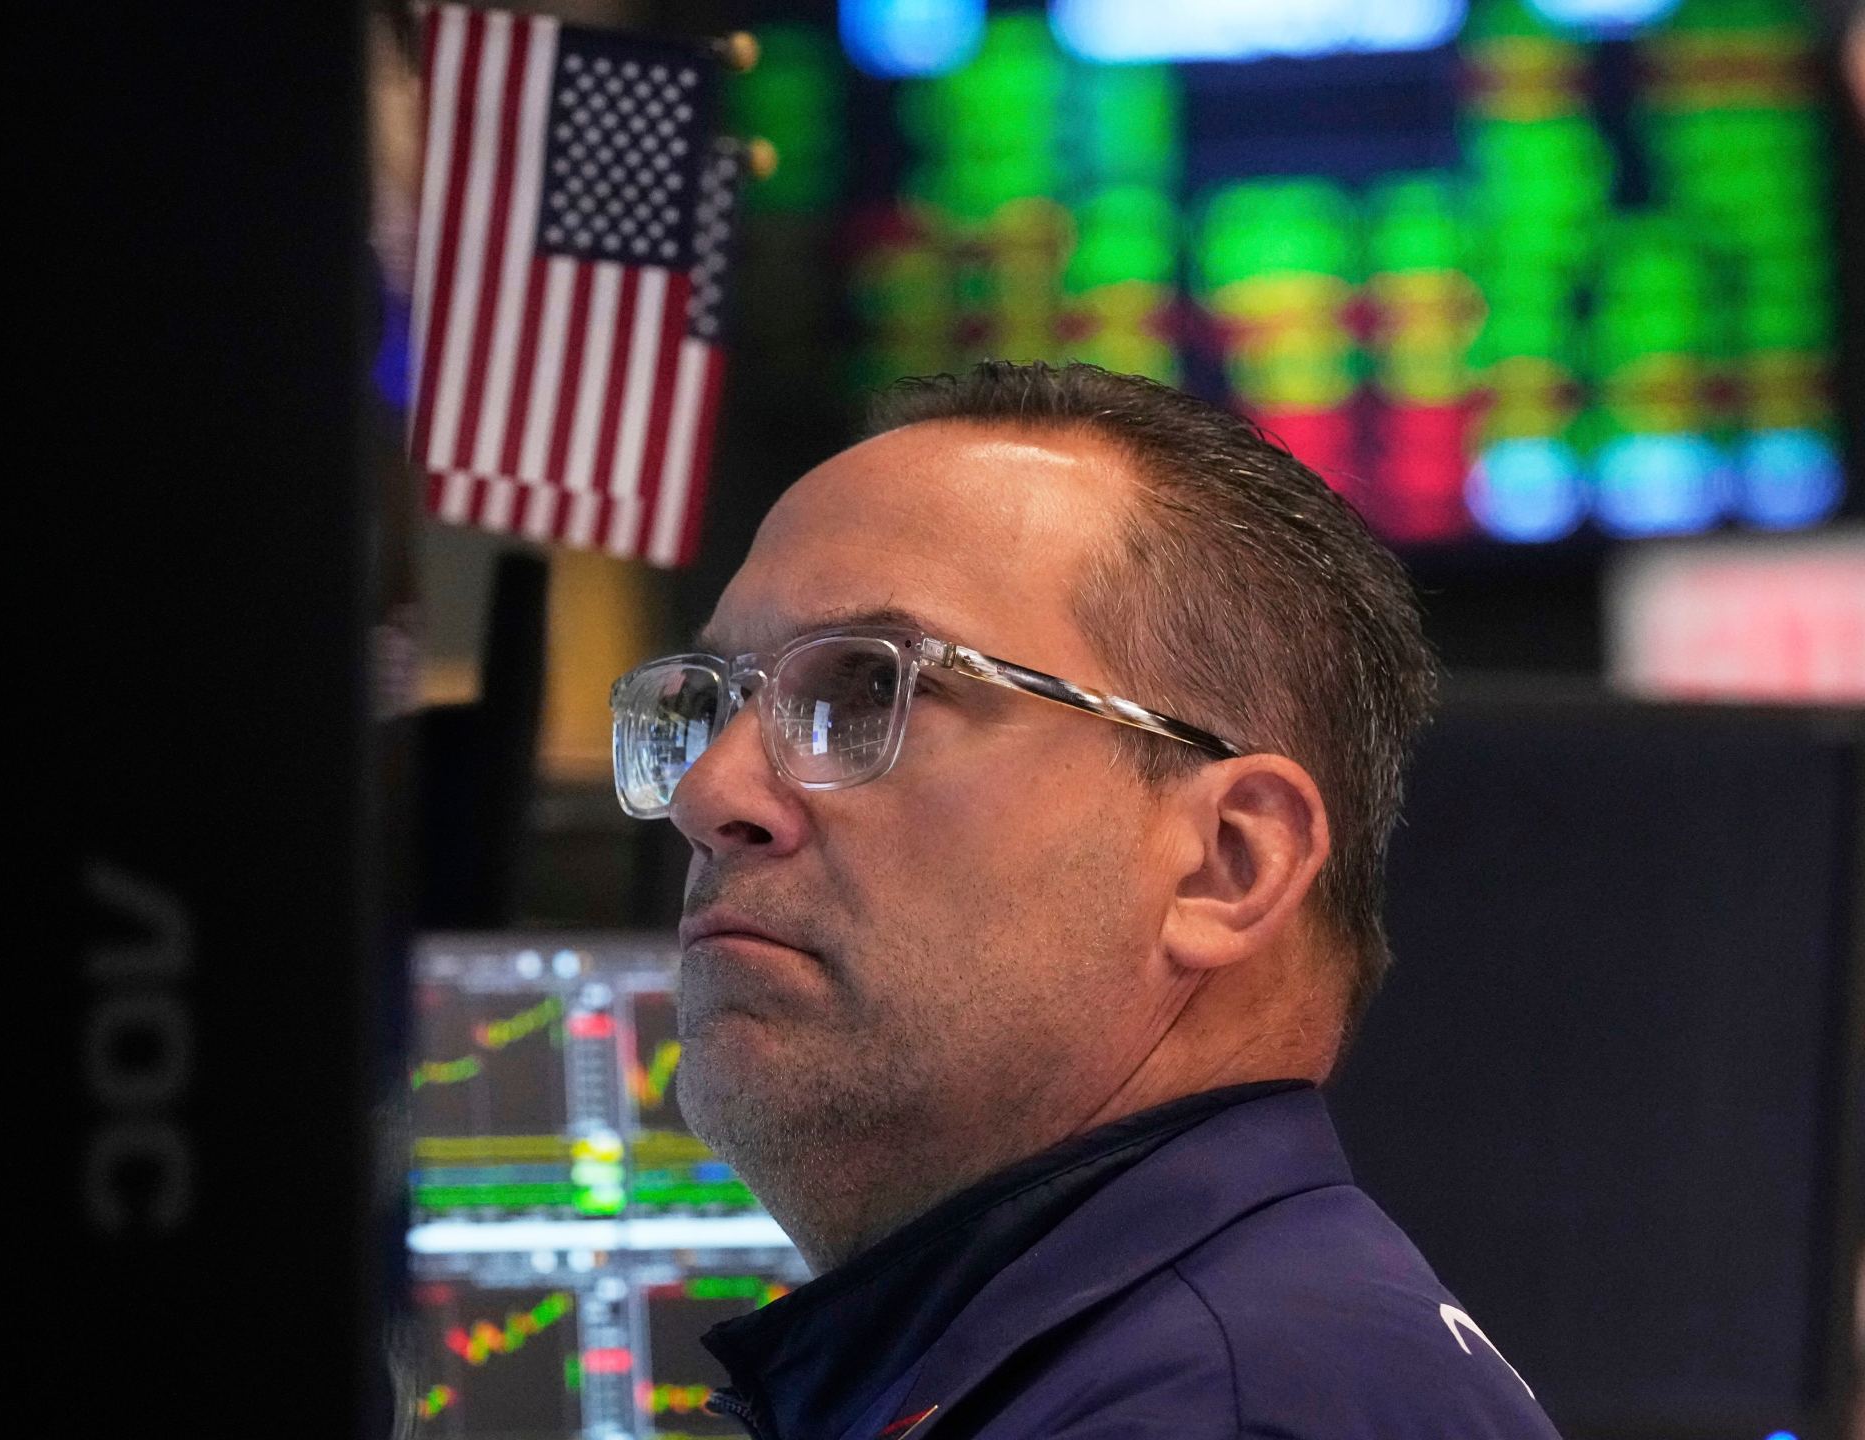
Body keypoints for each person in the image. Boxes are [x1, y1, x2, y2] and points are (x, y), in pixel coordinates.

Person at [607, 361, 1560, 1439]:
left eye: (875, 687)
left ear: (1224, 866)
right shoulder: (1118, 1360)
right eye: (714, 703)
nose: (708, 795)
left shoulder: (1215, 1410)